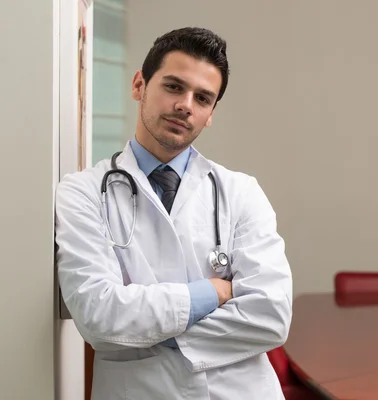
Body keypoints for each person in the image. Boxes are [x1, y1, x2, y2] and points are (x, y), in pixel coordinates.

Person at [55, 27, 293, 400]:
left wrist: (146, 334)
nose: (186, 105)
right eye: (173, 87)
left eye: (202, 98)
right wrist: (211, 293)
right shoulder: (82, 192)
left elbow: (271, 317)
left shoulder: (241, 192)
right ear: (139, 85)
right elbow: (97, 315)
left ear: (211, 113)